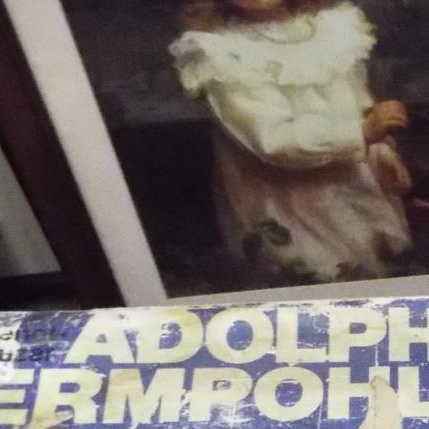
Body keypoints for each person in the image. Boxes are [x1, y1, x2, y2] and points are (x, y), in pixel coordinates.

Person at [171, 0, 413, 285]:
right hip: (284, 200)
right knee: (314, 274)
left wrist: (380, 149)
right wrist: (361, 131)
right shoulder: (223, 53)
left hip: (351, 184)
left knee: (372, 265)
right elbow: (274, 141)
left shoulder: (333, 28)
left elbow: (358, 104)